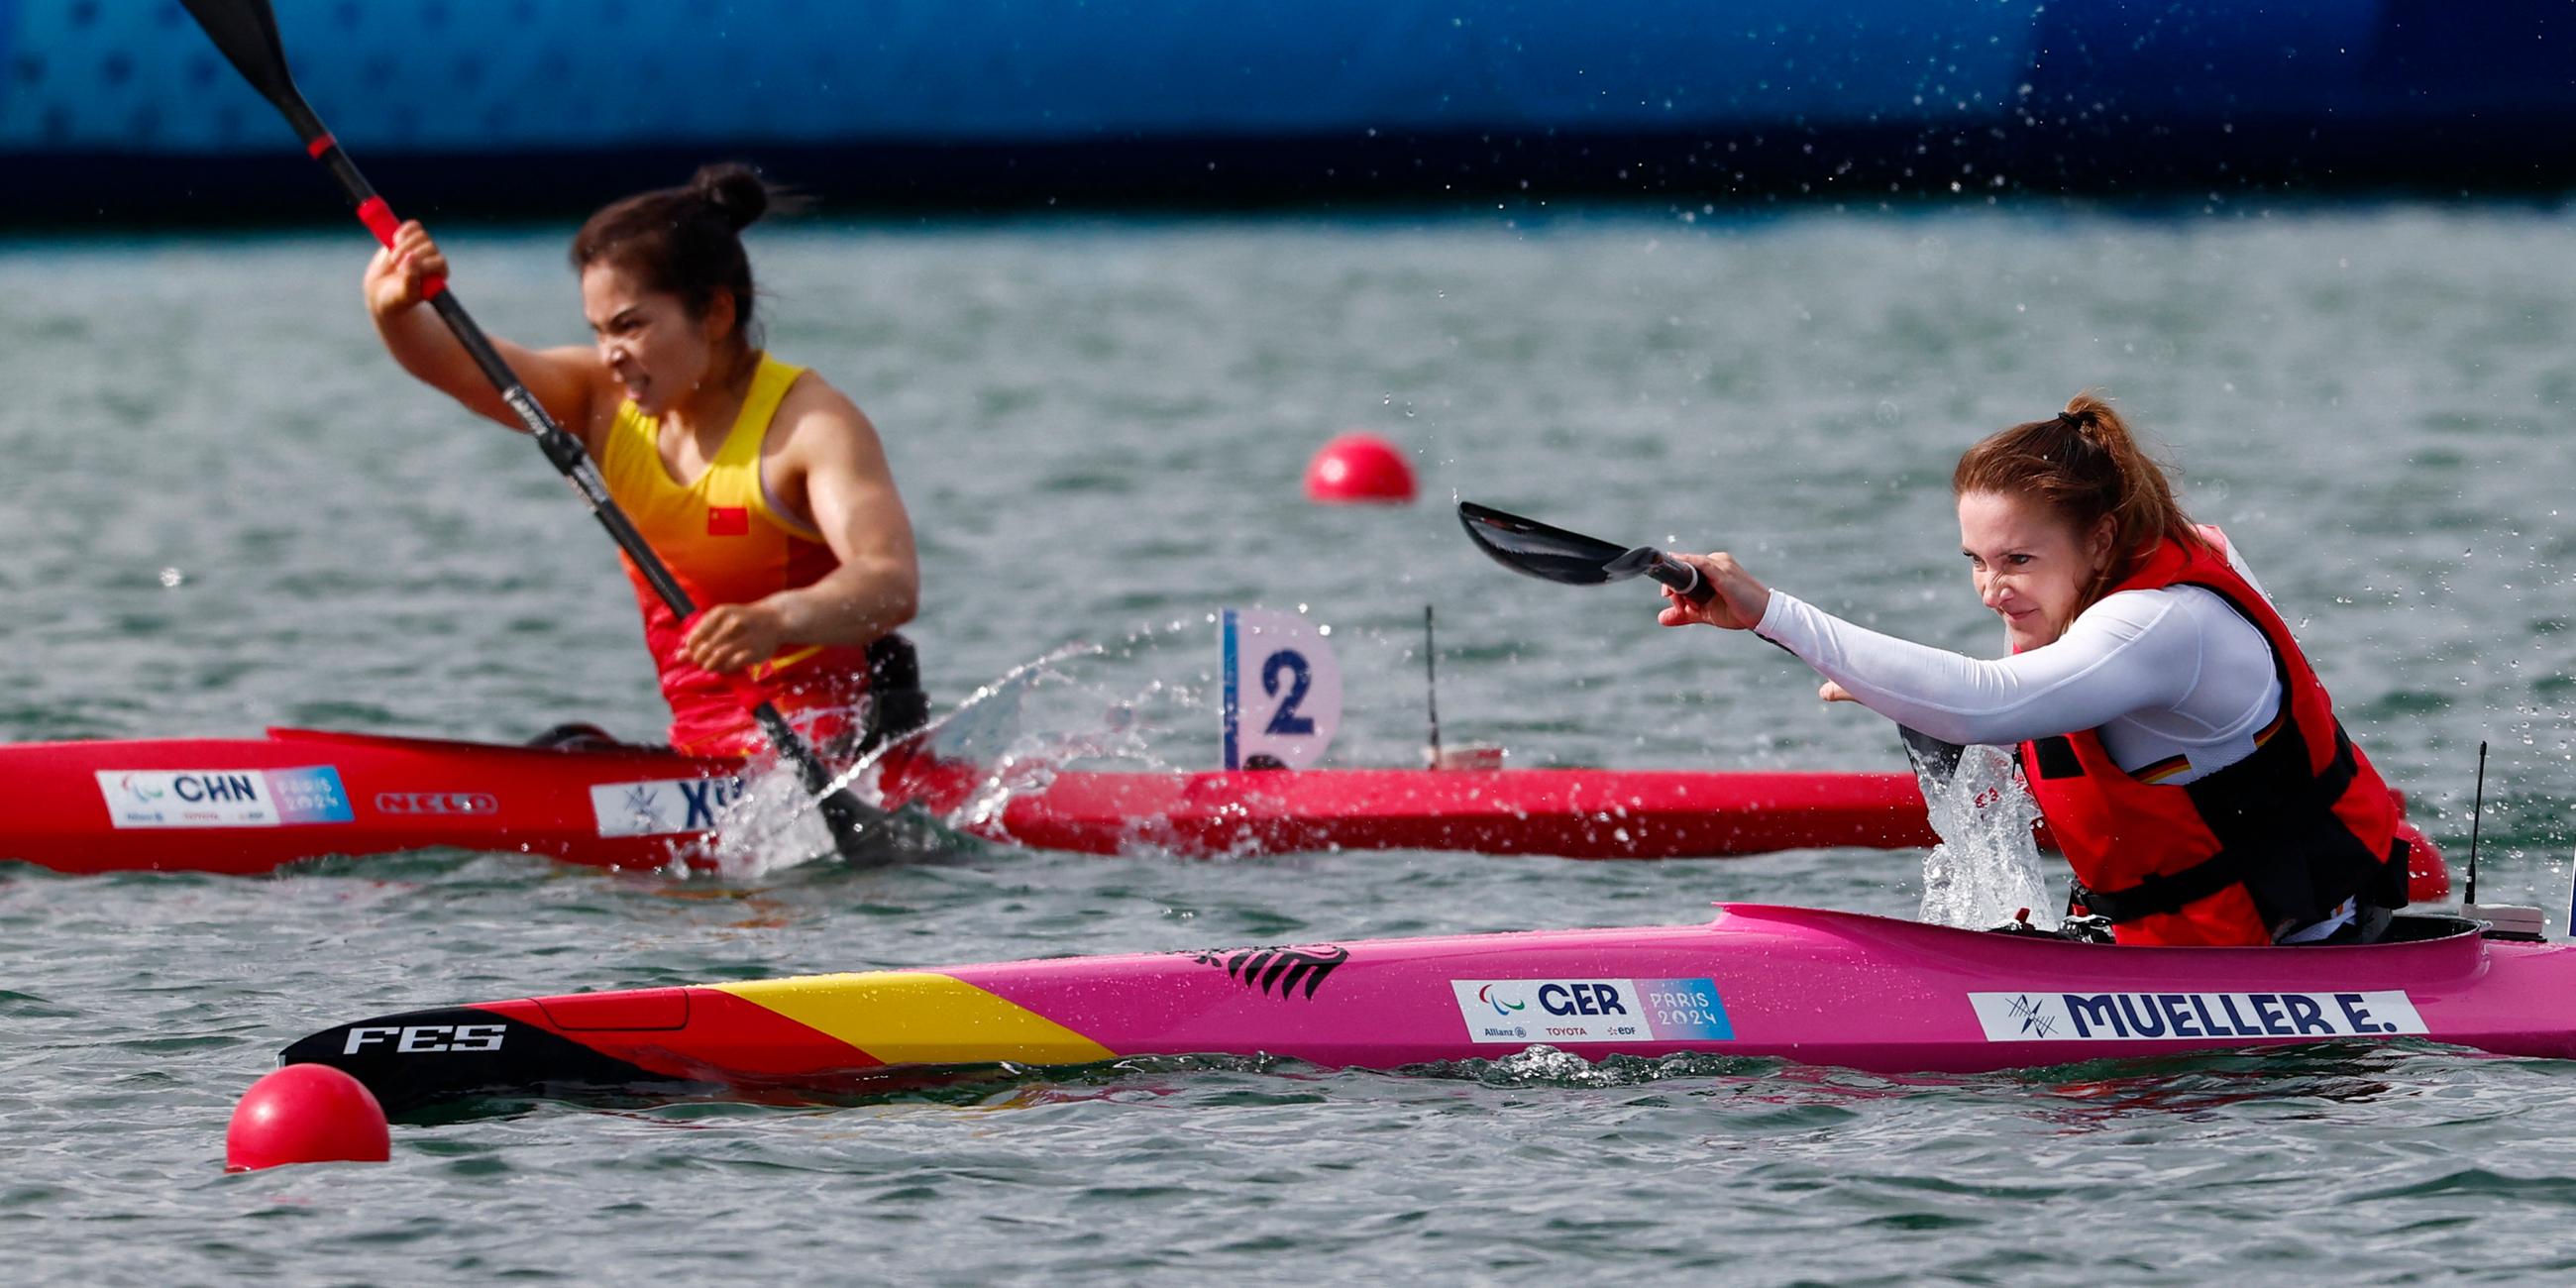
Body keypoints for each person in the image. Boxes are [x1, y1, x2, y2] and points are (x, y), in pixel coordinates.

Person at [1656, 392, 2410, 946]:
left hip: (2302, 960)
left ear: (2103, 535)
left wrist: (1769, 613)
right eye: (1976, 562)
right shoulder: (2091, 585)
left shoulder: (2161, 624)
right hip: (2185, 954)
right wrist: (1889, 686)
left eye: (2017, 559)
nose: (1991, 588)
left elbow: (1987, 702)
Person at [364, 163, 922, 757]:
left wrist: (779, 621)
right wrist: (392, 310)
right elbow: (455, 365)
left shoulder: (811, 426)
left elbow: (889, 583)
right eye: (599, 332)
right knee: (568, 749)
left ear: (715, 314)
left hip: (837, 748)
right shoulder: (601, 403)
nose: (610, 356)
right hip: (701, 757)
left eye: (629, 326)